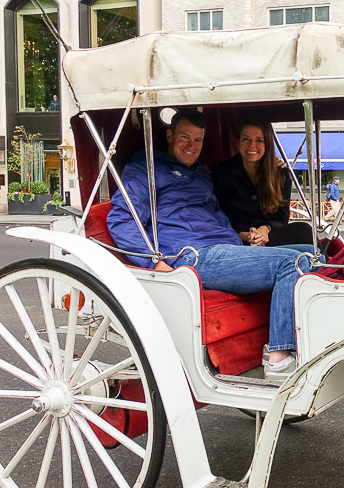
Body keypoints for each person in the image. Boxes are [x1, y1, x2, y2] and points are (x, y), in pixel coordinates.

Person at [107, 108, 314, 381]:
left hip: (227, 249)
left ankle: (308, 340)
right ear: (169, 136)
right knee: (293, 262)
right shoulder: (144, 170)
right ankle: (278, 361)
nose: (191, 146)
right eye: (184, 137)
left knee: (313, 254)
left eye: (198, 140)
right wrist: (153, 261)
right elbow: (121, 218)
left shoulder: (202, 174)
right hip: (193, 255)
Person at [213, 117, 314, 249]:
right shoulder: (221, 173)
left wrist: (265, 229)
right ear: (238, 142)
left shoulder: (280, 174)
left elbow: (281, 219)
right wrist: (241, 234)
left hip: (268, 237)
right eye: (246, 139)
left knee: (304, 230)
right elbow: (216, 215)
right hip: (234, 240)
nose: (252, 145)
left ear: (267, 144)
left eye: (259, 140)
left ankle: (326, 267)